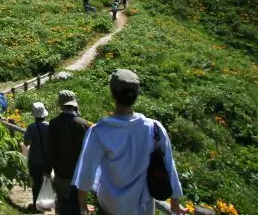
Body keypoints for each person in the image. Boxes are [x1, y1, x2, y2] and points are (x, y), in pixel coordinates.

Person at [73, 70, 184, 215]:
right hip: (144, 205)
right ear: (137, 96)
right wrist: (175, 202)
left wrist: (82, 203)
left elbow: (86, 171)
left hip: (111, 206)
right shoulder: (154, 128)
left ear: (113, 94)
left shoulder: (99, 131)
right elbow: (169, 165)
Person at [46, 90, 90, 215]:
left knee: (63, 202)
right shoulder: (83, 124)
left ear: (60, 104)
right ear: (74, 104)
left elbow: (51, 148)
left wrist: (47, 169)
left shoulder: (54, 123)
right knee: (77, 203)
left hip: (61, 172)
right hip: (79, 173)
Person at [23, 102, 51, 211]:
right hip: (47, 159)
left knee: (36, 182)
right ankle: (45, 204)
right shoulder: (50, 126)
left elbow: (26, 143)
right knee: (47, 181)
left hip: (35, 158)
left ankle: (35, 205)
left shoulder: (31, 127)